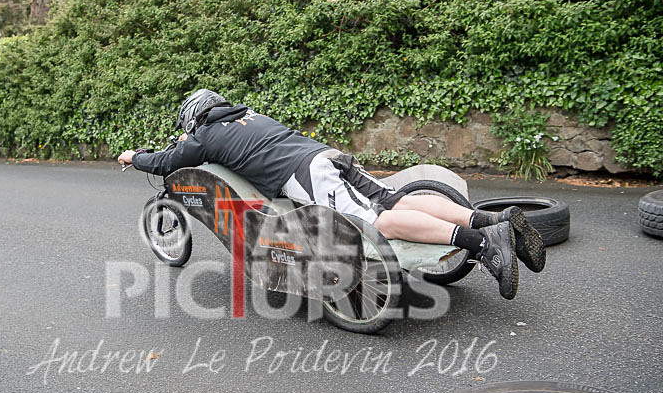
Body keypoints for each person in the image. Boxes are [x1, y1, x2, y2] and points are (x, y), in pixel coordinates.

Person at [118, 89, 546, 299]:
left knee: (376, 223)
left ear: (194, 118)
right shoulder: (250, 115)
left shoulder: (206, 136)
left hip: (307, 175)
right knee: (393, 199)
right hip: (326, 155)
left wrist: (134, 156)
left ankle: (484, 243)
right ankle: (491, 220)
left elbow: (166, 161)